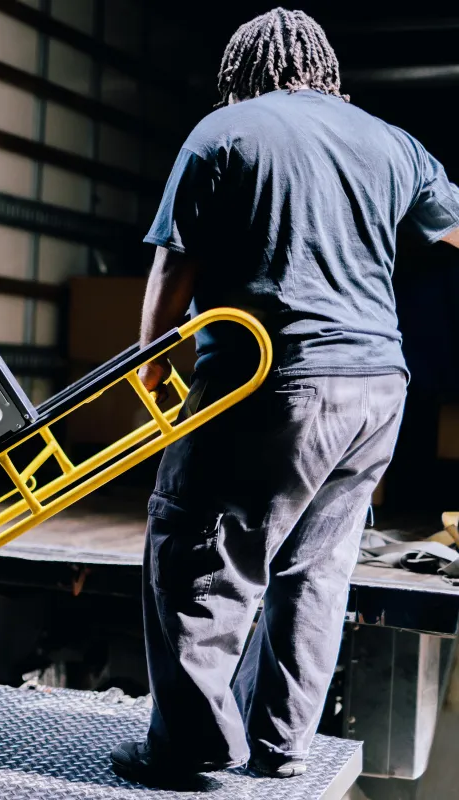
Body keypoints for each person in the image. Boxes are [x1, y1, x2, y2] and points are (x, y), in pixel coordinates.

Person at [110, 8, 459, 787]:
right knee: (316, 571)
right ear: (323, 68)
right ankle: (280, 747)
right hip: (377, 390)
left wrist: (151, 358)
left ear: (243, 67)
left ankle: (190, 747)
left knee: (202, 553)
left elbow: (175, 267)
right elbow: (456, 229)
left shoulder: (223, 132)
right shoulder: (392, 142)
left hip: (270, 384)